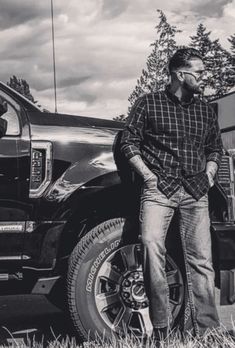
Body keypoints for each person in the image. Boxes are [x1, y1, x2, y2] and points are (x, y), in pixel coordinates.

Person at [120, 47, 223, 341]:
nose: (204, 76)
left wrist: (210, 173)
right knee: (152, 249)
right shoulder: (148, 104)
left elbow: (214, 147)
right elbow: (129, 142)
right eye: (199, 72)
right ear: (180, 74)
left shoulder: (204, 109)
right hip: (159, 190)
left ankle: (208, 333)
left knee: (201, 261)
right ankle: (161, 330)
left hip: (195, 191)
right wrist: (148, 176)